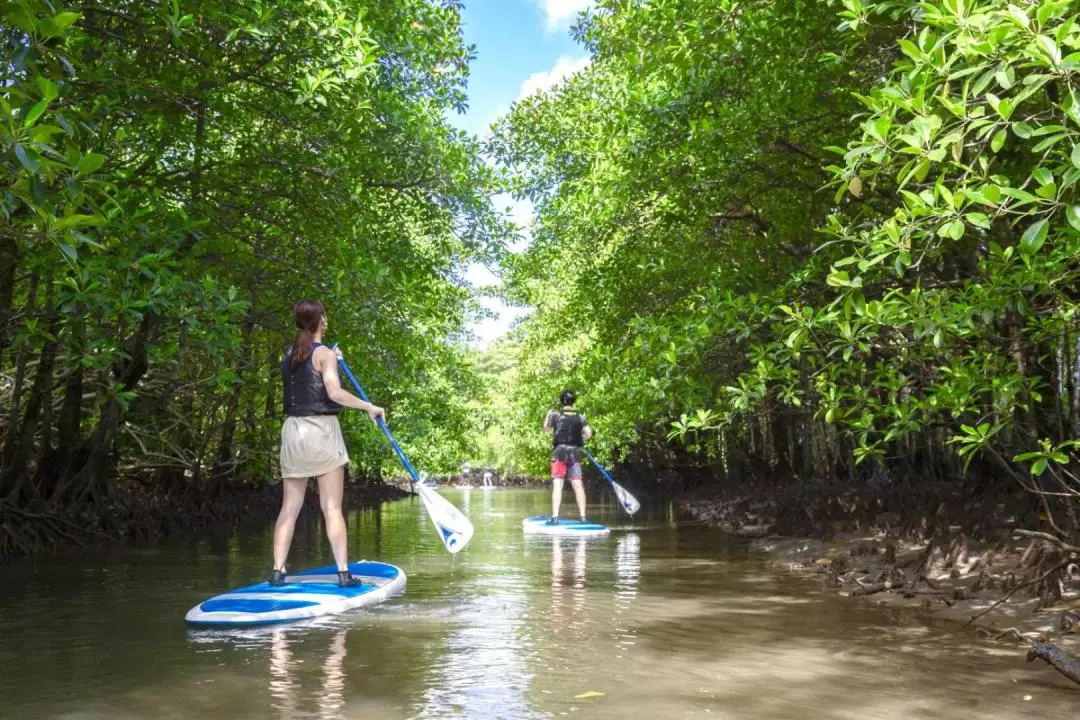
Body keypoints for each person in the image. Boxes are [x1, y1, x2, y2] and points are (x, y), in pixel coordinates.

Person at [271, 299, 385, 588]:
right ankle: (344, 573)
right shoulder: (324, 355)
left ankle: (277, 571)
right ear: (321, 320)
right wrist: (369, 406)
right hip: (321, 432)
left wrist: (330, 357)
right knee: (332, 508)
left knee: (289, 508)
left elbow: (311, 369)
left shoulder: (289, 354)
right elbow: (333, 392)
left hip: (293, 433)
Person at [542, 389, 593, 524]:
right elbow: (589, 433)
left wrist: (548, 415)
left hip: (559, 454)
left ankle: (554, 518)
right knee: (578, 485)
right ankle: (583, 518)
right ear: (573, 401)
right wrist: (579, 437)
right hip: (574, 453)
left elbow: (546, 429)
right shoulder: (580, 416)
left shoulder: (555, 415)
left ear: (562, 401)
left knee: (558, 485)